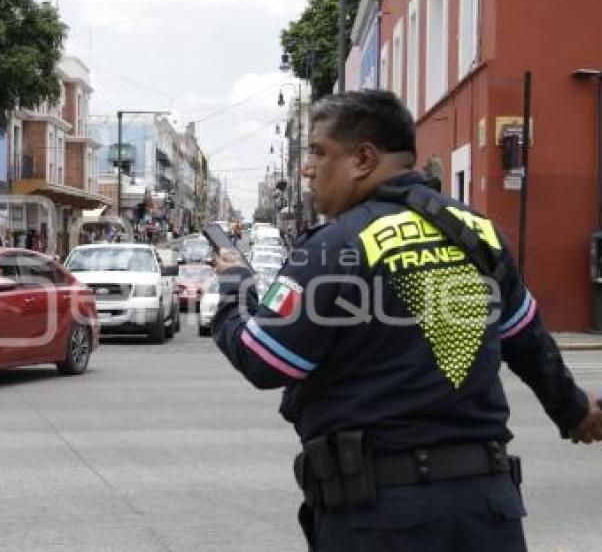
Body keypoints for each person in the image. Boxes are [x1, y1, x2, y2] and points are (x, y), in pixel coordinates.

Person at [210, 90, 602, 552]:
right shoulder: (477, 230)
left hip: (379, 516)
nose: (307, 168)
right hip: (487, 510)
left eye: (318, 151)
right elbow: (527, 340)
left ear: (363, 158)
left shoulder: (336, 246)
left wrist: (235, 285)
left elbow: (263, 360)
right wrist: (574, 411)